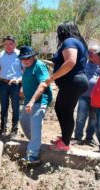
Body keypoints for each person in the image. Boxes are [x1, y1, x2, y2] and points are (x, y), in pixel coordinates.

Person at [26, 21, 89, 151]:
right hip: (72, 83)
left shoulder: (69, 42)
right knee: (59, 109)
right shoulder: (78, 42)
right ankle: (65, 138)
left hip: (73, 83)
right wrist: (46, 62)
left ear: (63, 31)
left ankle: (65, 144)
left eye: (59, 32)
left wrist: (51, 78)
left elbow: (70, 62)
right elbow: (63, 63)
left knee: (66, 112)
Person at [18, 46, 52, 164]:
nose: (25, 60)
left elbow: (43, 84)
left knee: (35, 125)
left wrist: (32, 101)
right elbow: (27, 78)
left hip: (39, 101)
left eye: (27, 58)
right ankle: (34, 142)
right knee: (23, 121)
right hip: (29, 101)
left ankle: (33, 156)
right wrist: (22, 87)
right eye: (22, 59)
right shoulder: (27, 67)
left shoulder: (39, 66)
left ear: (33, 56)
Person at [0, 35, 22, 137]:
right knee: (4, 106)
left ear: (15, 44)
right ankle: (3, 128)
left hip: (16, 85)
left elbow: (25, 71)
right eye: (6, 44)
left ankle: (14, 130)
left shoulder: (20, 55)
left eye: (10, 44)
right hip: (3, 84)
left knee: (15, 107)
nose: (8, 46)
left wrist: (22, 86)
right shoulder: (1, 55)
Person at [73, 45, 100, 146]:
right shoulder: (83, 63)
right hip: (83, 95)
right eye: (88, 52)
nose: (89, 55)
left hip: (97, 98)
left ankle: (89, 138)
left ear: (98, 53)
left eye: (91, 53)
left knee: (93, 119)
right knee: (81, 117)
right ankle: (77, 137)